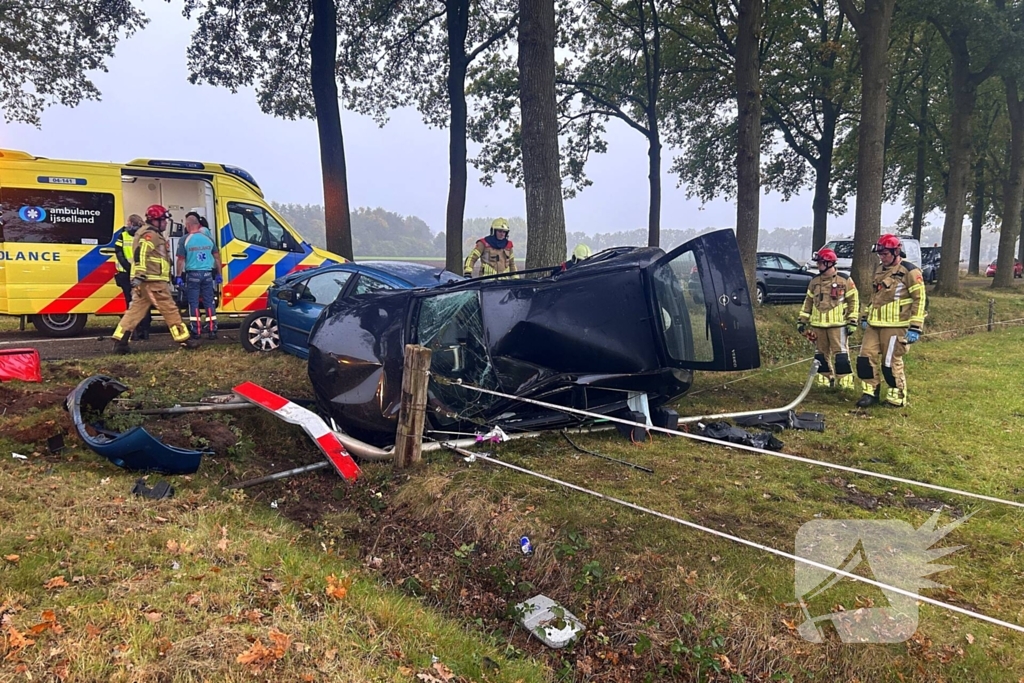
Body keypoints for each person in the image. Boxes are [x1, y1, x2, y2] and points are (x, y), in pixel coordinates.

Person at [112, 204, 199, 354]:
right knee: (169, 308)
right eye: (163, 220)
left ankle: (121, 340)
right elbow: (141, 253)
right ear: (155, 220)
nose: (166, 223)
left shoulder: (148, 233)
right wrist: (140, 275)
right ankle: (184, 339)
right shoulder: (150, 235)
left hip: (147, 281)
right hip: (152, 281)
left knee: (135, 311)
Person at [856, 234, 926, 408]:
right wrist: (866, 316)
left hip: (897, 325)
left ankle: (896, 396)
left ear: (896, 252)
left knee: (889, 363)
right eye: (880, 254)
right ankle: (870, 392)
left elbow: (920, 299)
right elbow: (875, 296)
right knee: (865, 358)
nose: (882, 257)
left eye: (885, 253)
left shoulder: (910, 271)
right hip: (875, 324)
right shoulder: (880, 269)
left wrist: (915, 327)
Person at [797, 247, 859, 389]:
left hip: (838, 325)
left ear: (829, 263)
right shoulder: (814, 281)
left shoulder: (845, 280)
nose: (818, 266)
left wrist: (852, 320)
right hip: (818, 325)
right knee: (820, 355)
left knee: (841, 355)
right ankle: (825, 379)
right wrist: (802, 320)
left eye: (820, 263)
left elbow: (853, 301)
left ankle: (845, 382)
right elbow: (808, 302)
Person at [176, 213, 222, 339]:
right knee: (209, 302)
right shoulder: (208, 239)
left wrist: (178, 276)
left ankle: (196, 330)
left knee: (194, 303)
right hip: (207, 274)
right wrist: (218, 274)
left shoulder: (185, 239)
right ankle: (213, 329)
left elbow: (180, 260)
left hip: (193, 275)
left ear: (188, 225)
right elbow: (217, 258)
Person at [113, 214, 151, 340]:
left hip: (126, 274)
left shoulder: (123, 235)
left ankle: (132, 332)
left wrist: (129, 269)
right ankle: (144, 331)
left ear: (130, 222)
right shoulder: (145, 235)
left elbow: (119, 253)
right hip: (141, 274)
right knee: (143, 303)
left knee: (131, 304)